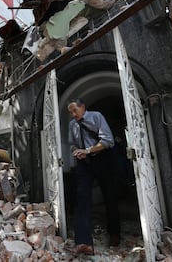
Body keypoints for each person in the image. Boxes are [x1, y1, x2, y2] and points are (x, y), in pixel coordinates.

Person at [66, 98, 121, 255]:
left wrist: (88, 150)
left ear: (83, 107)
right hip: (84, 162)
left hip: (103, 159)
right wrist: (76, 151)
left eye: (75, 110)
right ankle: (84, 242)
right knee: (82, 198)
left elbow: (108, 140)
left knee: (110, 195)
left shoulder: (96, 116)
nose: (73, 114)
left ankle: (115, 234)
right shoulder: (72, 125)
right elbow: (71, 144)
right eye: (70, 112)